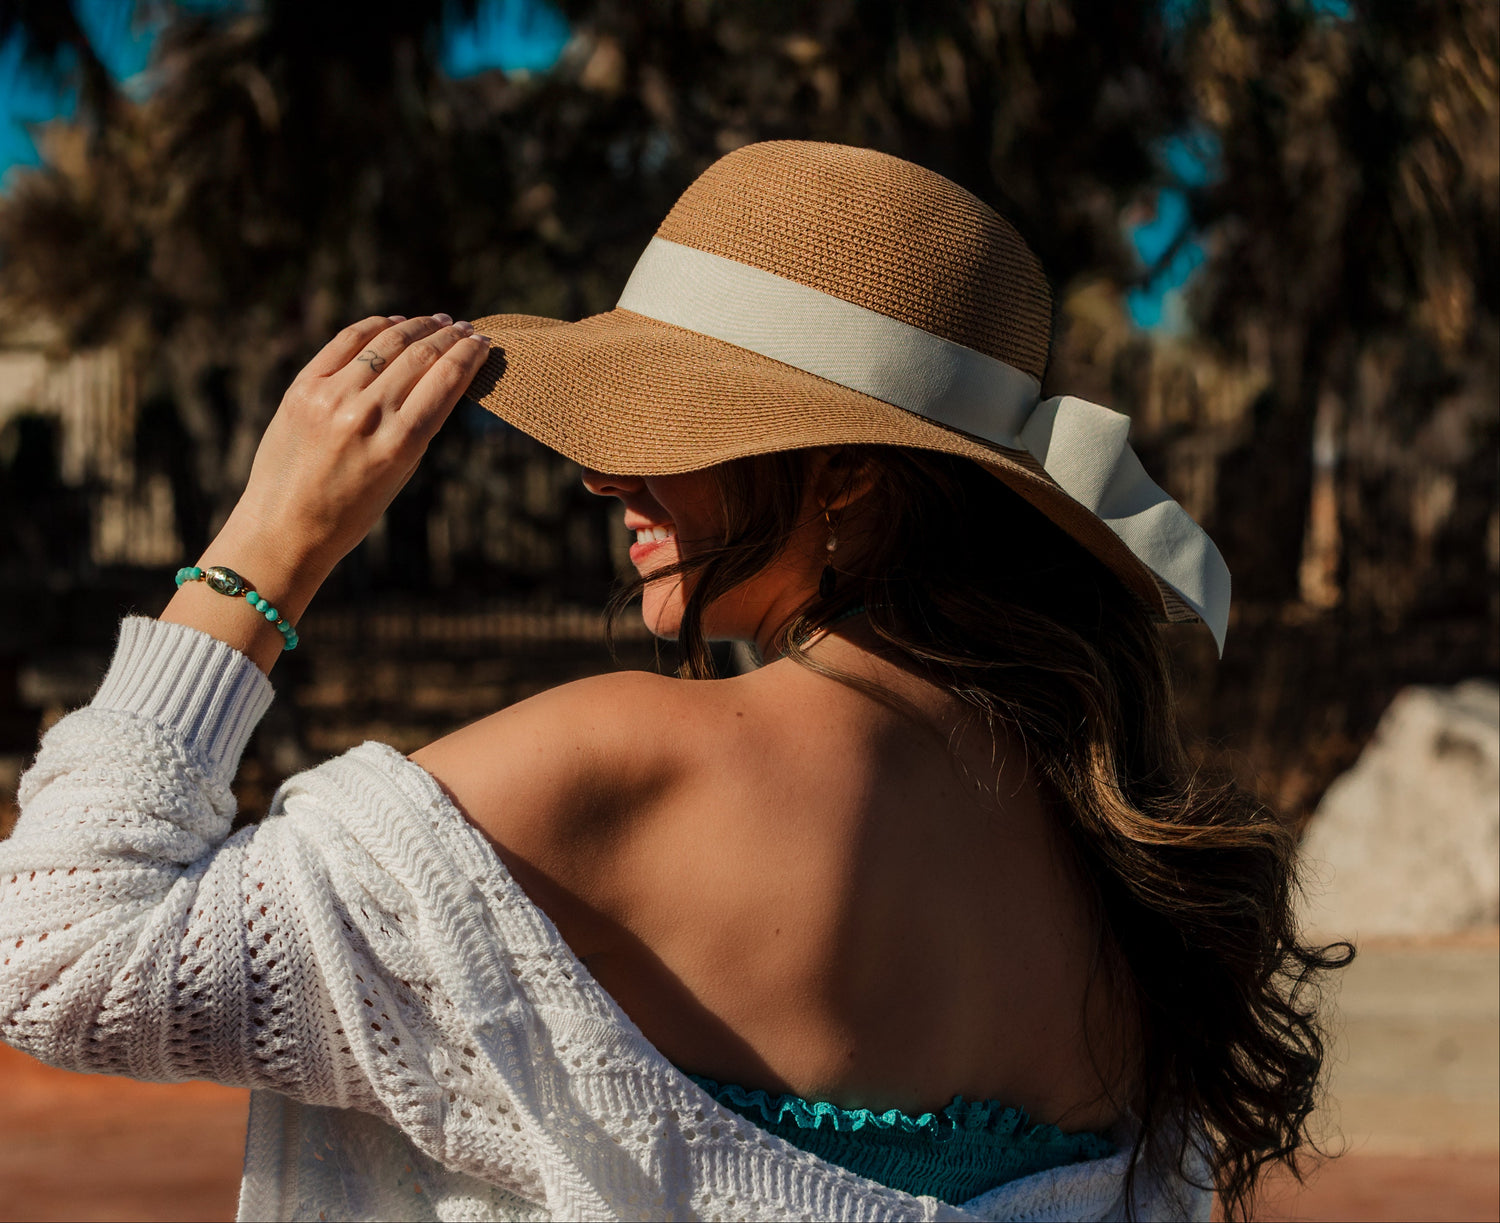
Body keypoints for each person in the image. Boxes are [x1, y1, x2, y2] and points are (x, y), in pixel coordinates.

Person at [0, 141, 1344, 1222]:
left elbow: (63, 959)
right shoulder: (1106, 856)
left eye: (681, 428)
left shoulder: (623, 763)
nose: (603, 474)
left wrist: (266, 548)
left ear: (851, 479)